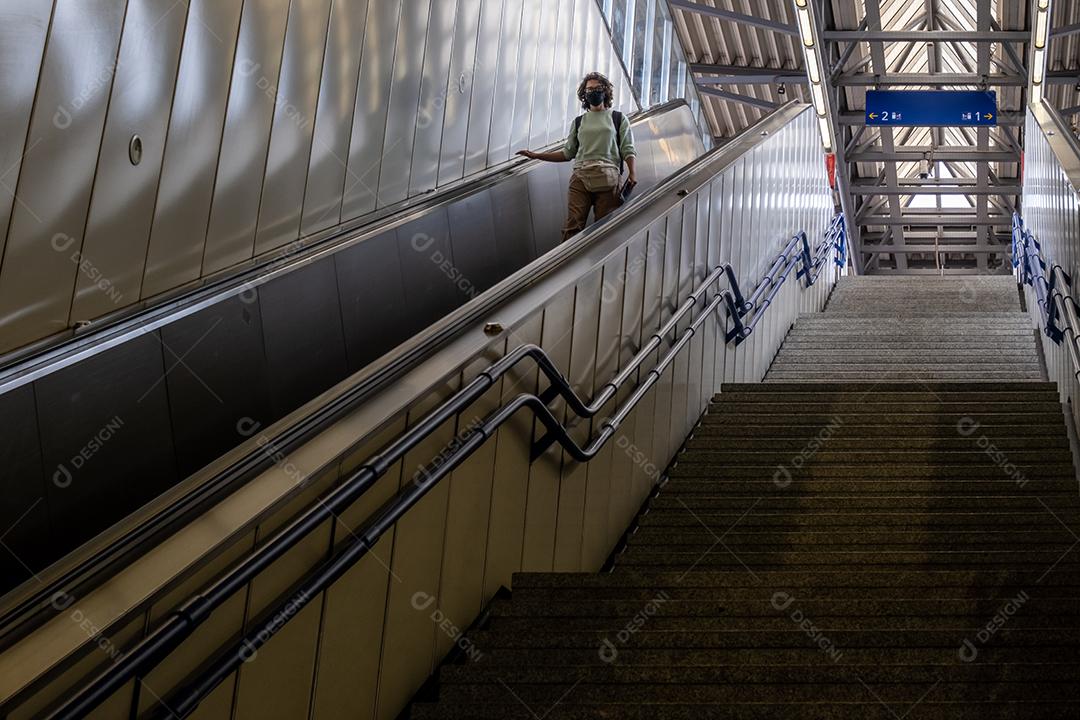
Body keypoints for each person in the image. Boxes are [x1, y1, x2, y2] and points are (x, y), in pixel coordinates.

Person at [517, 72, 637, 243]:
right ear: (584, 95)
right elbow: (568, 153)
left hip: (608, 179)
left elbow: (628, 148)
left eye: (597, 88)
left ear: (605, 91)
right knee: (572, 227)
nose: (593, 92)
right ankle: (568, 266)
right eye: (589, 90)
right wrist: (536, 155)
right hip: (580, 177)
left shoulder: (618, 118)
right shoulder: (579, 122)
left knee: (604, 229)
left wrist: (633, 173)